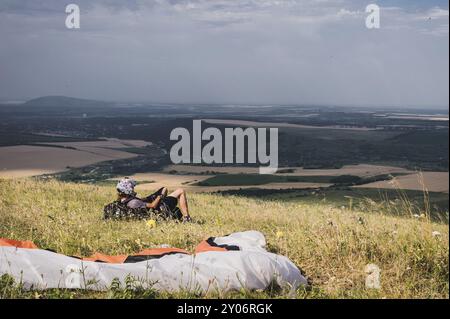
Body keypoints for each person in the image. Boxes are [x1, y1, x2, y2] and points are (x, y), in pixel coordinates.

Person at [116, 177, 192, 222]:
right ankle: (187, 218)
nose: (133, 189)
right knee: (180, 191)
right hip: (159, 209)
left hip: (150, 209)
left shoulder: (122, 201)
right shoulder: (134, 202)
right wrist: (159, 196)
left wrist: (143, 199)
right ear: (127, 190)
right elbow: (153, 206)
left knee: (164, 189)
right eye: (132, 188)